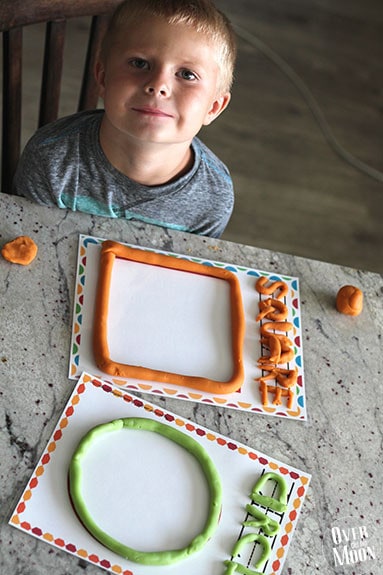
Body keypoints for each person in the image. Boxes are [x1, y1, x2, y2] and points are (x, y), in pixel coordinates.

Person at [14, 0, 237, 237]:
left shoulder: (214, 197)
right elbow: (27, 250)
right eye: (140, 63)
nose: (158, 85)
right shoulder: (50, 162)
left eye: (187, 74)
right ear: (102, 78)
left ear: (213, 107)